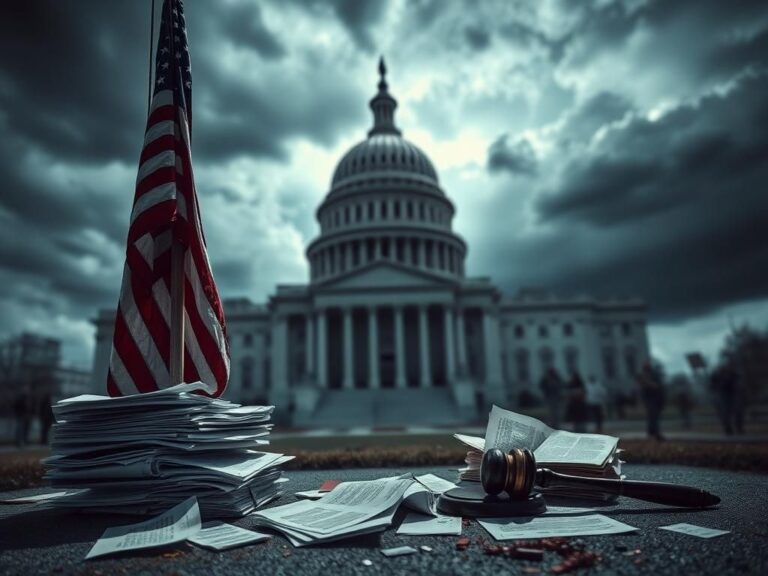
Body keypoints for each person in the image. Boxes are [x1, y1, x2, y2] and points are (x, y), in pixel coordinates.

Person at [636, 361, 665, 441]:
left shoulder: (654, 375)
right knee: (653, 415)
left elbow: (657, 385)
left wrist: (651, 384)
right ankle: (655, 433)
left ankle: (651, 432)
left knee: (654, 415)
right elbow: (642, 386)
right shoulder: (642, 376)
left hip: (657, 397)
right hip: (649, 398)